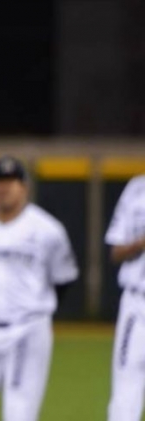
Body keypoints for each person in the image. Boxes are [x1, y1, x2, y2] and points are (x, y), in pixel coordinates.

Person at [0, 156, 78, 421]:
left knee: (19, 414)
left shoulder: (48, 230)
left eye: (10, 181)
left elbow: (64, 279)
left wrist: (36, 314)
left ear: (24, 187)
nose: (3, 188)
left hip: (28, 330)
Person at [105, 173, 145, 420]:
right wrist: (140, 243)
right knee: (125, 391)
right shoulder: (136, 189)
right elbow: (116, 251)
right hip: (137, 302)